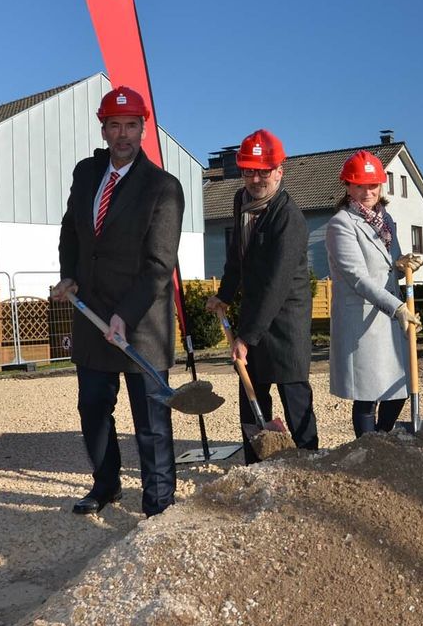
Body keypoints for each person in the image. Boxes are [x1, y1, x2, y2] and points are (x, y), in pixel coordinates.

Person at [51, 85, 184, 517]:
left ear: (143, 129)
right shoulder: (86, 174)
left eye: (130, 125)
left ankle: (159, 504)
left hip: (142, 324)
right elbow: (71, 231)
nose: (122, 134)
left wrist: (125, 315)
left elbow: (160, 264)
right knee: (93, 409)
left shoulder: (163, 187)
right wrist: (69, 275)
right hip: (92, 317)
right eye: (115, 125)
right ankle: (106, 485)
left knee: (151, 421)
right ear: (103, 129)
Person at [205, 129, 318, 463]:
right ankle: (257, 465)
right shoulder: (241, 201)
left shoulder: (289, 218)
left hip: (285, 322)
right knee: (251, 395)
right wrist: (224, 294)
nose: (255, 179)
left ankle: (311, 465)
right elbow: (237, 257)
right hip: (254, 315)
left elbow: (276, 284)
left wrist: (246, 337)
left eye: (263, 172)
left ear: (279, 171)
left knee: (294, 396)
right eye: (248, 171)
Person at [325, 150, 423, 436]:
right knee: (367, 395)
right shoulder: (341, 224)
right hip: (363, 320)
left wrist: (401, 264)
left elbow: (387, 265)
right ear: (347, 186)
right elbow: (357, 277)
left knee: (399, 388)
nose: (367, 192)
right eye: (359, 185)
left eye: (372, 185)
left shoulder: (386, 220)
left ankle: (381, 439)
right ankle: (368, 447)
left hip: (390, 319)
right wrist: (397, 307)